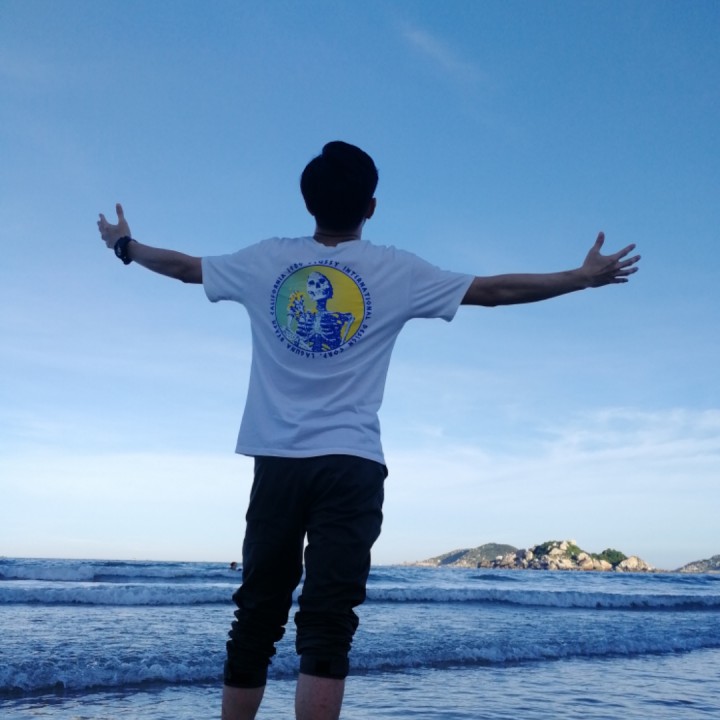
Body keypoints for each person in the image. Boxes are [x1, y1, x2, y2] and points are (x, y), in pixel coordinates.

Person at [97, 140, 640, 720]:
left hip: (278, 464)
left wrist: (126, 246)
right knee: (328, 622)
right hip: (352, 465)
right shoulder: (394, 269)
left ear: (307, 201)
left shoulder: (266, 260)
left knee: (257, 614)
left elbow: (184, 268)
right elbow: (494, 291)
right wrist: (580, 278)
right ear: (371, 207)